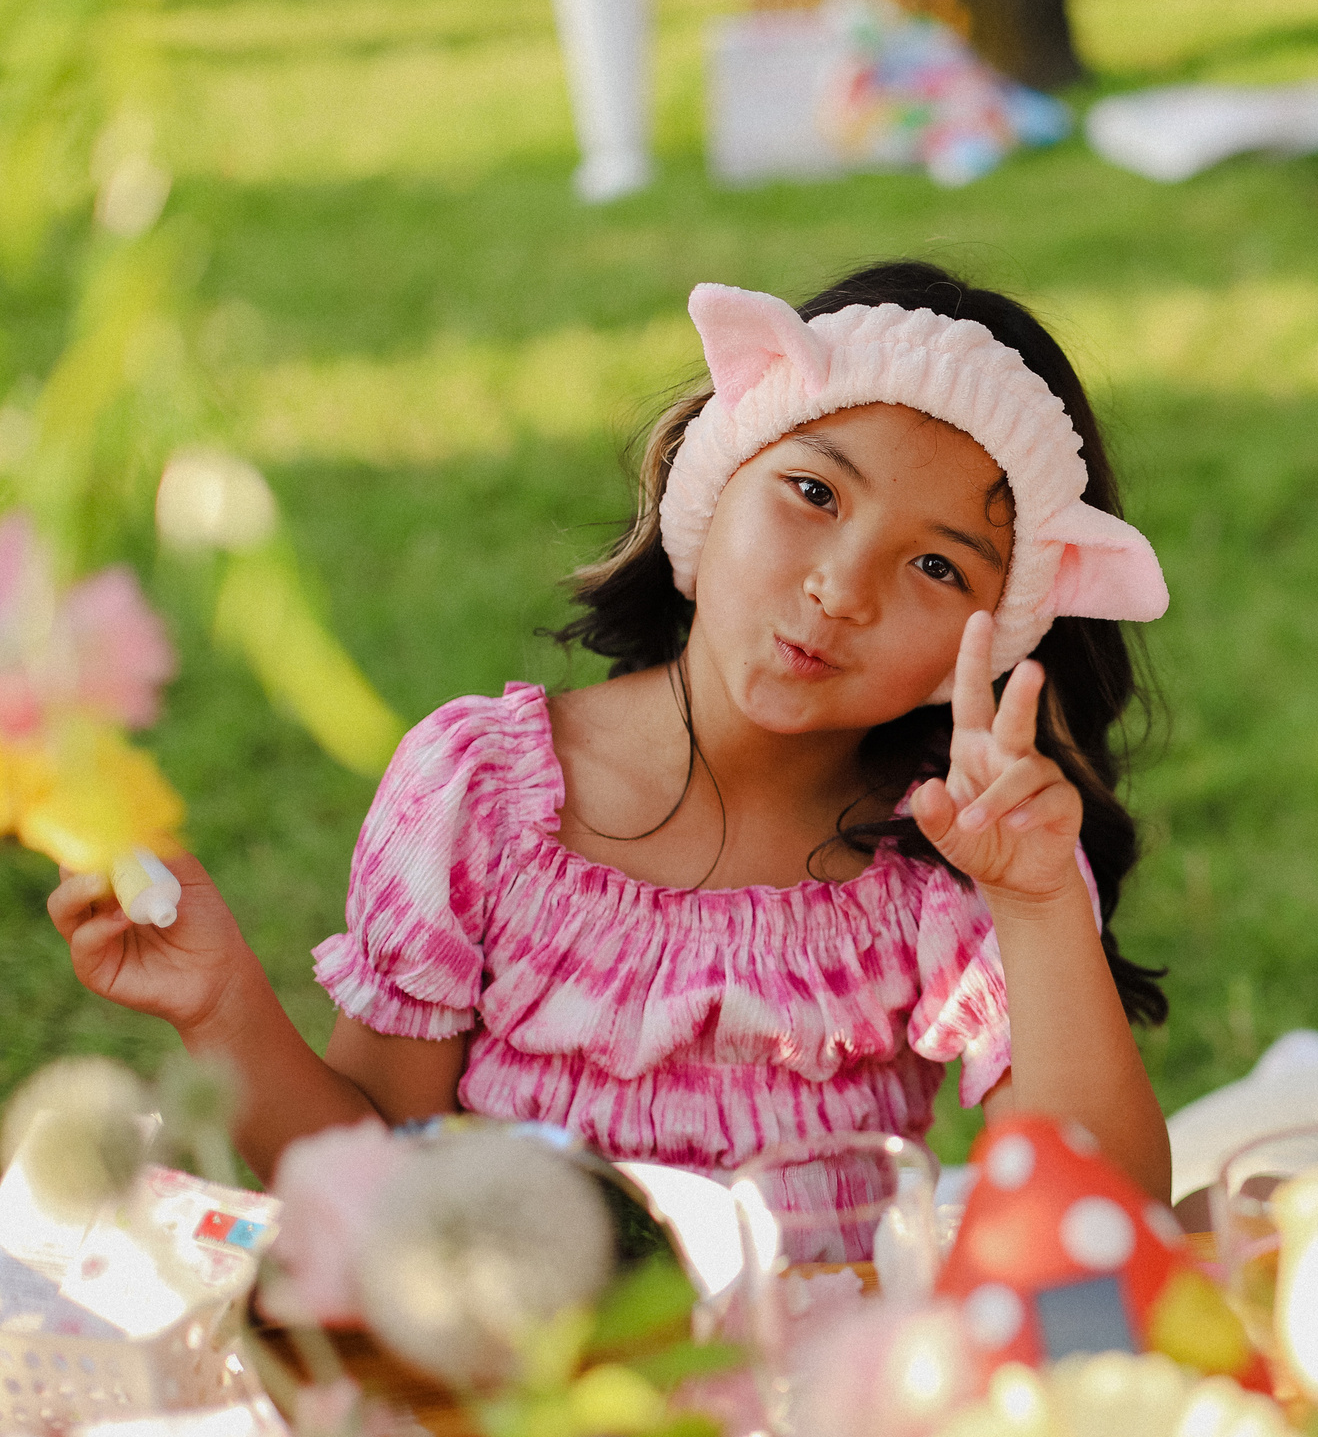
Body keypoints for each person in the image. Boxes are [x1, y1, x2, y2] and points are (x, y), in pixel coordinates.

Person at [49, 260, 1177, 1204]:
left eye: (936, 565)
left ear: (999, 633)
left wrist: (1036, 903)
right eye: (814, 493)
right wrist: (221, 1000)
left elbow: (1108, 1211)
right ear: (709, 483)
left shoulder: (959, 849)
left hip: (821, 1420)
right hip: (515, 1411)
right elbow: (369, 1183)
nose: (842, 588)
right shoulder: (483, 793)